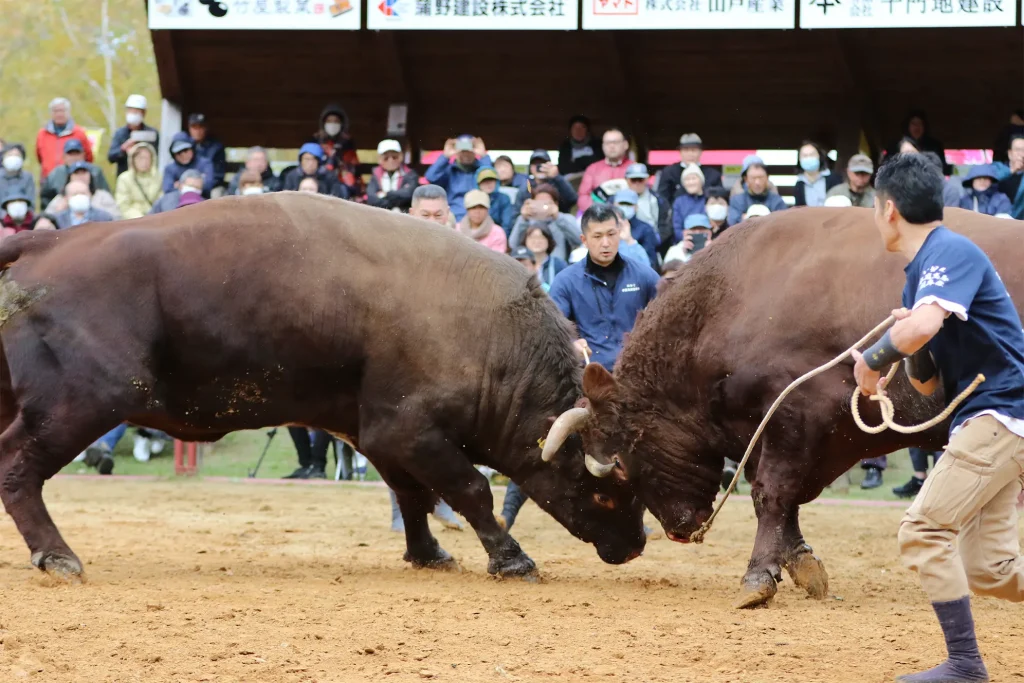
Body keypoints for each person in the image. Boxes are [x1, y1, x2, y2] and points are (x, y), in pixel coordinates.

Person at [852, 152, 1024, 683]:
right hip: (995, 414)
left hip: (1002, 411)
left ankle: (967, 666)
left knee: (924, 530)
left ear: (888, 210)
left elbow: (920, 327)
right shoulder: (923, 273)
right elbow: (928, 383)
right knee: (990, 571)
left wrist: (873, 360)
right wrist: (910, 350)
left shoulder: (950, 251)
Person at [549, 204, 660, 371]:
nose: (606, 243)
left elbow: (668, 315)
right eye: (597, 236)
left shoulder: (643, 274)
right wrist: (572, 345)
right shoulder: (566, 281)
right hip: (590, 375)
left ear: (619, 233)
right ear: (584, 240)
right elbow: (552, 329)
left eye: (611, 234)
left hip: (638, 373)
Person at [424, 135, 493, 221]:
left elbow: (491, 180)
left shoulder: (481, 169)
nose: (466, 155)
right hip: (454, 217)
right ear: (456, 152)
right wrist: (445, 156)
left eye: (469, 151)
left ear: (474, 152)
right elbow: (431, 177)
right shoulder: (449, 170)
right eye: (462, 151)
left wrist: (483, 155)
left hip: (479, 217)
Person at [508, 183, 581, 262]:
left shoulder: (564, 218)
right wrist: (523, 219)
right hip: (531, 265)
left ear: (556, 203)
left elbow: (578, 240)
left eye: (546, 203)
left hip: (559, 266)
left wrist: (557, 218)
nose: (542, 207)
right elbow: (513, 244)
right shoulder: (526, 219)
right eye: (539, 203)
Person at [40, 139, 111, 209]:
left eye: (77, 153)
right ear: (64, 156)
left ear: (83, 154)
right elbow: (46, 198)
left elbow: (106, 194)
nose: (74, 157)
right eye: (70, 154)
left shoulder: (95, 171)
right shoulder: (56, 173)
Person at [656, 133, 723, 206]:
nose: (690, 154)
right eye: (686, 150)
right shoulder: (669, 172)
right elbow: (662, 199)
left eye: (694, 150)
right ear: (680, 152)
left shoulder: (713, 174)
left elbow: (720, 199)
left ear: (700, 152)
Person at [35, 97, 93, 179]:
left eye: (62, 110)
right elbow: (39, 157)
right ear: (51, 113)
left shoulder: (78, 133)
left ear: (68, 112)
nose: (59, 114)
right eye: (56, 111)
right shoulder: (42, 134)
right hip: (48, 178)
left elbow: (88, 156)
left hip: (72, 178)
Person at [897, 138, 962, 208]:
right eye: (904, 154)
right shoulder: (896, 184)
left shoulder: (948, 190)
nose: (909, 158)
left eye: (911, 152)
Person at [312, 103, 361, 197]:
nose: (332, 124)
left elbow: (354, 171)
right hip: (320, 183)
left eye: (336, 121)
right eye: (329, 121)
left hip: (343, 186)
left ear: (342, 124)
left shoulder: (348, 144)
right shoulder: (315, 141)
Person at [577, 128, 631, 212]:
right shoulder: (592, 168)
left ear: (625, 145)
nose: (611, 146)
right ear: (602, 146)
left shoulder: (634, 167)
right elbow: (583, 196)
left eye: (615, 142)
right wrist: (597, 213)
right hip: (598, 216)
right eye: (607, 143)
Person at [106, 94, 159, 179]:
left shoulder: (152, 134)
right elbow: (111, 157)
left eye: (136, 111)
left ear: (144, 113)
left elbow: (158, 156)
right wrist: (123, 149)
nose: (133, 114)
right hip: (125, 179)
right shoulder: (120, 133)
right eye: (130, 110)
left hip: (148, 178)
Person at [513, 149, 578, 217]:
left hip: (555, 222)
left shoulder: (558, 183)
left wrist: (557, 176)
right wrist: (524, 215)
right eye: (535, 164)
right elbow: (516, 213)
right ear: (530, 168)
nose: (539, 167)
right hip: (532, 223)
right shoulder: (526, 187)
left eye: (542, 164)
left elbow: (572, 199)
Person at [45, 161, 119, 218]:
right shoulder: (60, 199)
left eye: (84, 173)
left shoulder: (103, 196)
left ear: (90, 176)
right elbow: (46, 220)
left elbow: (117, 218)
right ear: (70, 177)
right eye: (76, 173)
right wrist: (59, 212)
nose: (80, 176)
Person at [728, 155, 788, 226]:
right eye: (753, 178)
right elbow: (733, 224)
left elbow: (783, 224)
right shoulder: (737, 200)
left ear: (767, 178)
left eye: (761, 177)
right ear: (746, 179)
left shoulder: (777, 201)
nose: (757, 182)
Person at [886, 110, 950, 175]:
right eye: (913, 123)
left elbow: (943, 168)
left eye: (920, 123)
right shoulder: (895, 146)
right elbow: (886, 168)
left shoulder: (935, 146)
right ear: (908, 126)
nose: (917, 127)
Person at [365, 139, 418, 212]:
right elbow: (372, 199)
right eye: (386, 158)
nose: (391, 160)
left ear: (401, 157)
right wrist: (394, 202)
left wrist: (386, 194)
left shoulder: (410, 174)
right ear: (380, 159)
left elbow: (409, 195)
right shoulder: (375, 175)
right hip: (380, 213)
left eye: (394, 157)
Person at [612, 190, 660, 267]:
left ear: (636, 207)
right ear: (614, 204)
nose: (625, 207)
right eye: (622, 203)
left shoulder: (646, 229)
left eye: (629, 204)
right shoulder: (605, 226)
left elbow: (650, 263)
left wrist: (629, 241)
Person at [114, 142, 161, 219]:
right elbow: (123, 205)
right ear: (133, 160)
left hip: (155, 219)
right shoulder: (124, 178)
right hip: (132, 221)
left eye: (147, 158)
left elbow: (161, 200)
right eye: (140, 158)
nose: (144, 162)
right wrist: (141, 219)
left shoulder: (158, 177)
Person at [162, 133, 215, 198]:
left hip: (202, 201)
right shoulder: (169, 168)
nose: (183, 155)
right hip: (177, 202)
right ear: (173, 155)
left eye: (185, 150)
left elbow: (208, 186)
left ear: (192, 149)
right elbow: (167, 190)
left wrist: (180, 185)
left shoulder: (205, 163)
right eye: (178, 152)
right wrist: (197, 184)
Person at [624, 163, 667, 242]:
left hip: (649, 241)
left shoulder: (658, 199)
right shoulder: (616, 199)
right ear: (627, 180)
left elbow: (665, 223)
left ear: (647, 179)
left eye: (640, 179)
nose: (637, 183)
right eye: (633, 180)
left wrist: (658, 239)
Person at [186, 113, 226, 195]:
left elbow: (218, 175)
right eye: (194, 127)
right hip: (187, 184)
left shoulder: (216, 147)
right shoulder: (183, 145)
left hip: (210, 186)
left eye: (201, 127)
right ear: (189, 128)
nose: (198, 131)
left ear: (206, 128)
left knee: (217, 195)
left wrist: (201, 184)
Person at [793, 141, 842, 207]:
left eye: (812, 154)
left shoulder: (834, 178)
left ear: (819, 156)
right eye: (804, 155)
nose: (808, 158)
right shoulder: (799, 184)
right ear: (799, 159)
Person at [521, 222, 567, 287]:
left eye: (541, 237)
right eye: (532, 237)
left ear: (549, 241)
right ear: (525, 240)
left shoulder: (559, 264)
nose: (537, 241)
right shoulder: (519, 263)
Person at [671, 164, 707, 244]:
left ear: (701, 181)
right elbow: (676, 227)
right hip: (684, 242)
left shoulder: (708, 199)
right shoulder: (679, 202)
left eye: (694, 178)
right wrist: (685, 238)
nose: (691, 182)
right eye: (687, 179)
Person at [475, 167, 513, 232]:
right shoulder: (474, 199)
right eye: (484, 181)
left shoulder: (504, 199)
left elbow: (507, 224)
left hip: (499, 235)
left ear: (496, 182)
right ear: (479, 184)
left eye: (491, 180)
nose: (488, 184)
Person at [0, 144, 35, 213]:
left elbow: (31, 204)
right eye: (10, 155)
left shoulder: (28, 177)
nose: (13, 158)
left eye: (17, 155)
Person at [997, 135, 1024, 219]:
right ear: (1010, 153)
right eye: (1018, 150)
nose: (1022, 154)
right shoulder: (997, 168)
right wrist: (1011, 171)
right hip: (994, 220)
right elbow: (990, 180)